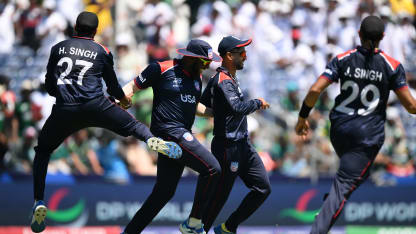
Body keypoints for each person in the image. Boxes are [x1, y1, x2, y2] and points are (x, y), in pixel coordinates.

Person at [30, 11, 182, 233]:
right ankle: (151, 141)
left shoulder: (58, 48)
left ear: (75, 26)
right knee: (134, 126)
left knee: (42, 151)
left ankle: (39, 200)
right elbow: (111, 85)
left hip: (65, 109)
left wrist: (65, 96)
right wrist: (123, 100)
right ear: (95, 31)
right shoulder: (102, 51)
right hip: (96, 105)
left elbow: (50, 85)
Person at [295, 15, 416, 234]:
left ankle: (328, 205)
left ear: (359, 34)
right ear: (383, 37)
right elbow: (411, 106)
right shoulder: (393, 66)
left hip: (339, 131)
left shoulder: (343, 58)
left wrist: (303, 118)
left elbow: (314, 90)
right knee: (346, 184)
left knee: (354, 174)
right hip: (367, 135)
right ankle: (320, 224)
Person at [121, 39, 222, 234]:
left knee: (163, 193)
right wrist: (118, 99)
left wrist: (216, 112)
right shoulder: (161, 68)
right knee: (213, 168)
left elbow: (194, 107)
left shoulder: (196, 77)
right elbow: (131, 88)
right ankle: (193, 223)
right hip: (170, 133)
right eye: (205, 61)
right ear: (192, 58)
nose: (209, 65)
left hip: (180, 136)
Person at [199, 36, 271, 234]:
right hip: (227, 147)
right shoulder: (221, 80)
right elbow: (238, 107)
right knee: (219, 196)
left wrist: (217, 112)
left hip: (243, 145)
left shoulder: (228, 79)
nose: (245, 57)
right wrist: (257, 102)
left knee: (263, 188)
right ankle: (201, 230)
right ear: (229, 56)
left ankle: (228, 228)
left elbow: (207, 104)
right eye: (242, 53)